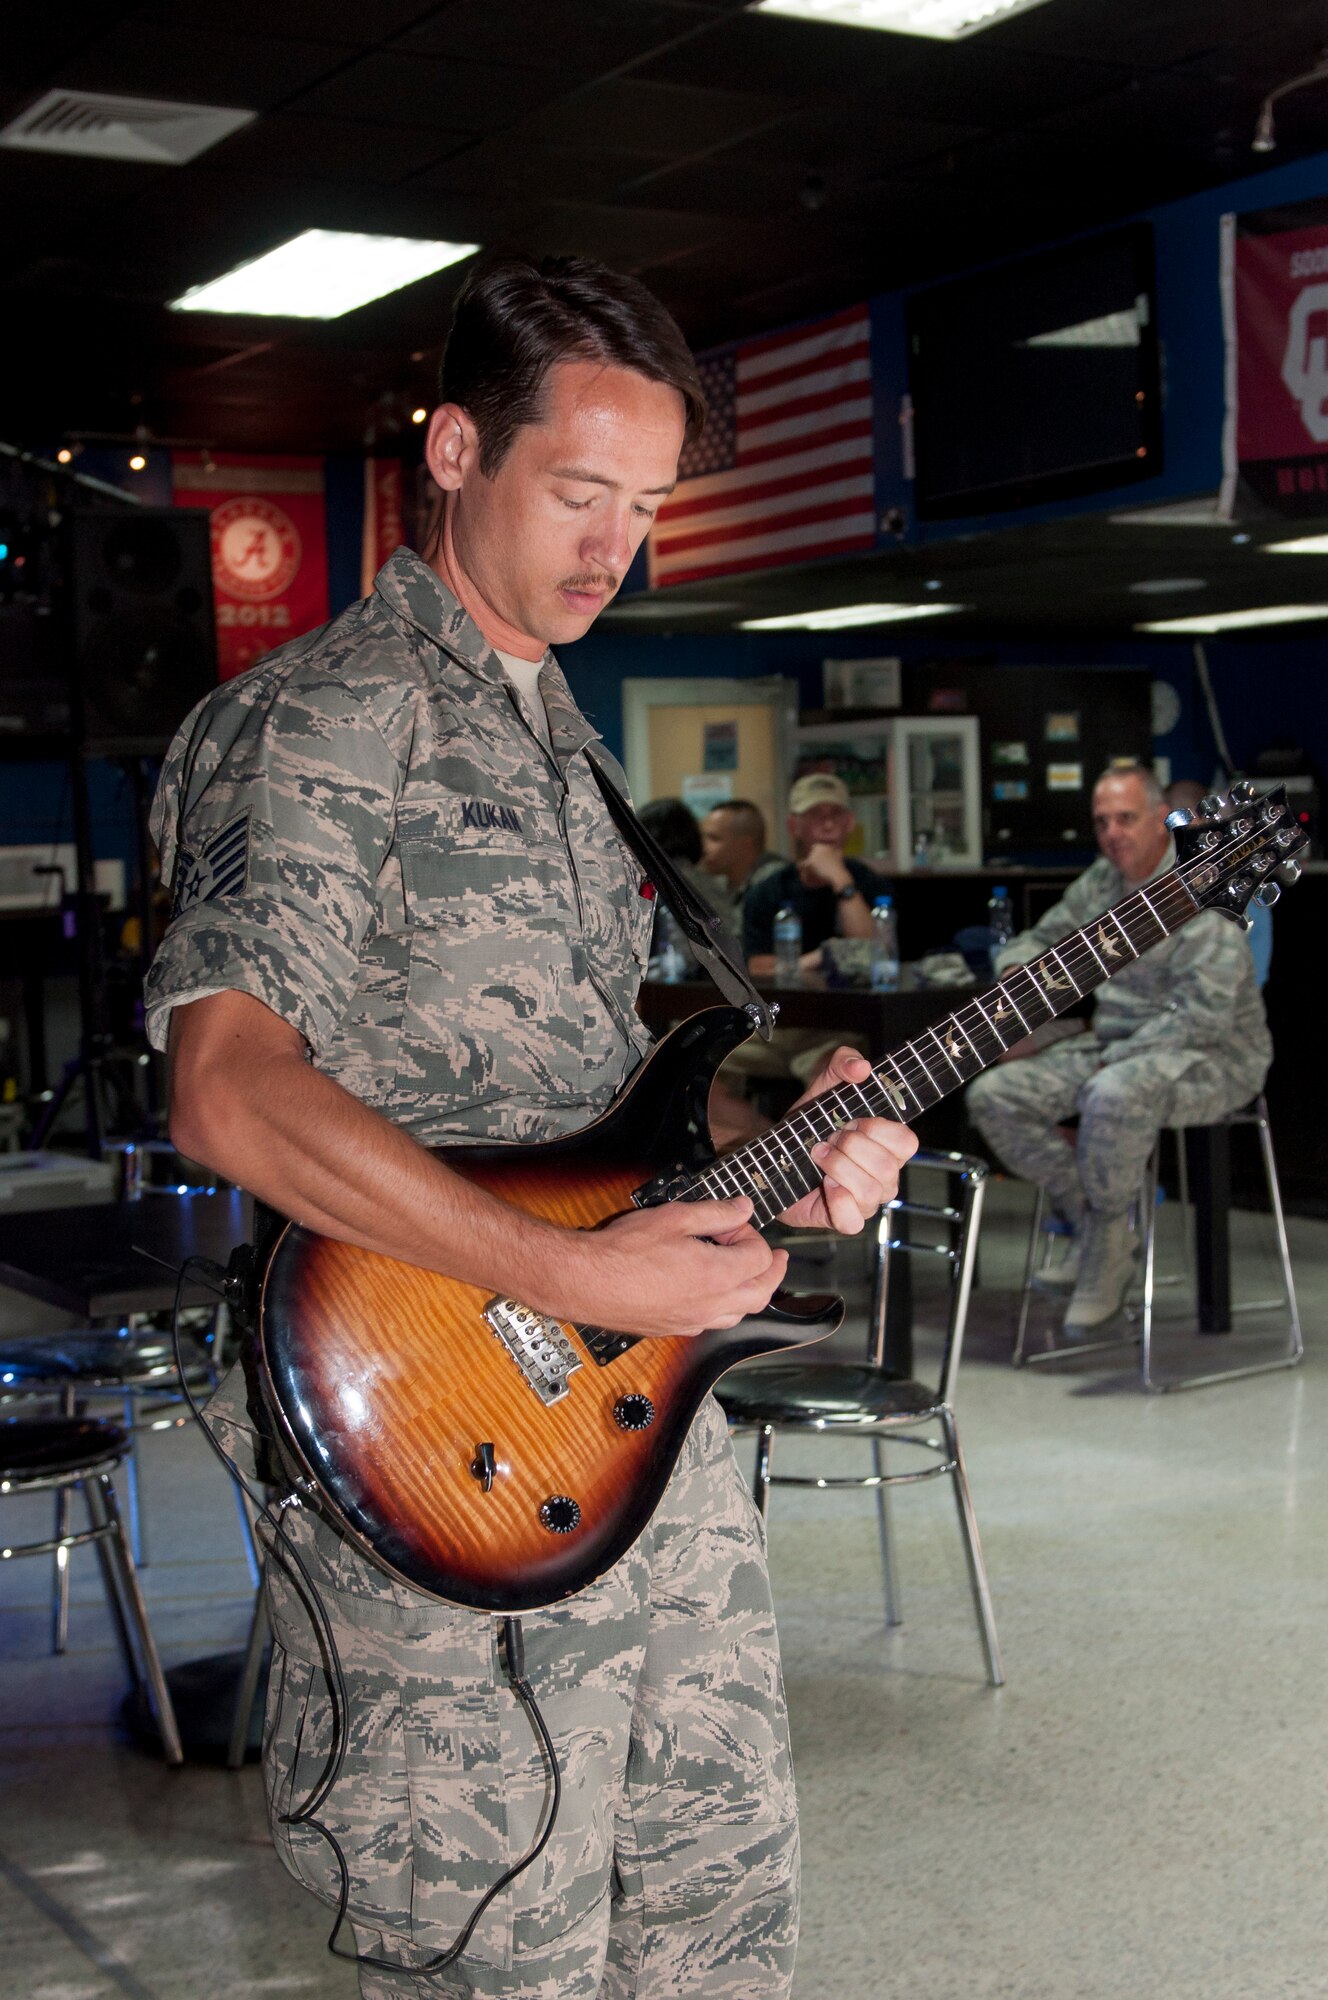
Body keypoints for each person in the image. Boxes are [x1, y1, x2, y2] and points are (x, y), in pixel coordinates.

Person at [146, 253, 916, 2000]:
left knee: (717, 1932)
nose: (610, 549)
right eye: (577, 493)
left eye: (640, 510)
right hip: (443, 1463)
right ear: (448, 450)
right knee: (510, 1960)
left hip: (647, 1454)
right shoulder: (323, 725)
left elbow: (590, 1107)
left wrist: (787, 1126)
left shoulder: (557, 737)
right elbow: (228, 1086)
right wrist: (565, 1266)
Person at [966, 762, 1271, 1335]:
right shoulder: (1101, 883)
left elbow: (1202, 1017)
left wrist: (1114, 1058)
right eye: (1102, 821)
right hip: (1117, 1046)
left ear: (1161, 817)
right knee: (995, 1094)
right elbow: (1038, 939)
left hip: (1214, 1055)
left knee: (1112, 1092)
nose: (1113, 833)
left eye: (1126, 818)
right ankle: (1100, 1227)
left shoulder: (1200, 884)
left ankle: (1103, 1253)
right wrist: (1016, 970)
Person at [742, 773, 878, 976]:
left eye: (836, 815)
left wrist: (840, 879)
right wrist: (819, 958)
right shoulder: (767, 892)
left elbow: (875, 954)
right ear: (793, 826)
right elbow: (759, 969)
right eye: (816, 815)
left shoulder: (869, 881)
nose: (828, 825)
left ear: (849, 823)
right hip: (794, 1002)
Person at [699, 799, 784, 928]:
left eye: (714, 838)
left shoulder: (775, 882)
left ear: (745, 845)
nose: (703, 847)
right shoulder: (720, 881)